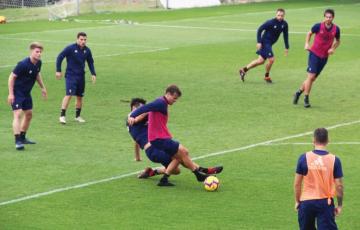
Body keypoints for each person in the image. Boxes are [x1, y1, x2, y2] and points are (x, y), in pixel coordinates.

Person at [128, 86, 223, 186]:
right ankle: (200, 173)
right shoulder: (158, 103)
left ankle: (160, 176)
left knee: (177, 167)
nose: (175, 100)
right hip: (157, 142)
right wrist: (133, 115)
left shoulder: (159, 105)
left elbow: (146, 111)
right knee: (182, 153)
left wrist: (137, 157)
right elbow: (145, 109)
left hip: (157, 142)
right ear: (168, 94)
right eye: (174, 98)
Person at [294, 128, 344, 230]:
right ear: (328, 141)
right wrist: (339, 205)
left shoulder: (304, 158)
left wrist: (297, 201)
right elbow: (339, 185)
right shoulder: (335, 160)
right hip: (325, 203)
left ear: (313, 140)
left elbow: (297, 184)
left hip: (306, 202)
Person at [293, 9, 340, 108]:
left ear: (333, 18)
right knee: (310, 77)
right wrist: (306, 43)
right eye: (326, 17)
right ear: (324, 17)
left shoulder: (336, 29)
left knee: (312, 78)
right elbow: (309, 33)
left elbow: (338, 41)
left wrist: (333, 48)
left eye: (330, 17)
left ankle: (298, 93)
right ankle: (306, 98)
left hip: (324, 57)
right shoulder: (318, 26)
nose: (328, 19)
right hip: (314, 54)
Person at [7, 42, 47, 150]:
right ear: (31, 51)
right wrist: (11, 94)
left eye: (40, 52)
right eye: (37, 52)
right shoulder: (23, 64)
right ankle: (17, 141)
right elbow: (11, 77)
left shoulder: (38, 63)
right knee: (17, 114)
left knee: (29, 114)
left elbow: (37, 74)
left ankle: (23, 137)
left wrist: (42, 87)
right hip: (17, 92)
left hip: (26, 93)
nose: (39, 54)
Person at [239, 8, 289, 83]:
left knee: (260, 61)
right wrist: (259, 42)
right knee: (271, 59)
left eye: (282, 15)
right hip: (265, 42)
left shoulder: (284, 24)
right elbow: (259, 29)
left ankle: (243, 70)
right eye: (278, 15)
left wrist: (286, 47)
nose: (280, 17)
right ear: (276, 14)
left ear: (284, 15)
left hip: (270, 44)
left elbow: (285, 35)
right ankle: (266, 76)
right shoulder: (270, 22)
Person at [56, 32, 96, 124]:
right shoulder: (70, 48)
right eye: (81, 39)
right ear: (77, 39)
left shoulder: (87, 50)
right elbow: (60, 57)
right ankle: (62, 116)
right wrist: (58, 70)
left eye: (85, 40)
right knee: (69, 95)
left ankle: (77, 116)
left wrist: (93, 73)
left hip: (81, 76)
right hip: (71, 76)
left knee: (79, 97)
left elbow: (90, 62)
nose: (83, 41)